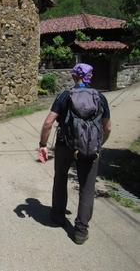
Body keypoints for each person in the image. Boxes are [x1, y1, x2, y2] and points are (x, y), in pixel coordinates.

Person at [38, 63, 111, 245]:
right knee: (87, 187)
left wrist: (43, 145)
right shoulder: (99, 97)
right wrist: (97, 145)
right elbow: (107, 127)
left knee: (60, 179)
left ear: (74, 77)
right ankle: (80, 231)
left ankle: (58, 216)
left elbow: (48, 123)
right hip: (90, 149)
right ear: (89, 77)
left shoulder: (65, 95)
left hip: (65, 145)